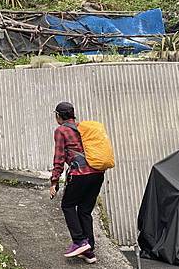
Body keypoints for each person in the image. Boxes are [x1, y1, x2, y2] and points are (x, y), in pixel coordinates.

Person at [50, 102, 104, 264]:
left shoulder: (61, 131)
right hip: (97, 174)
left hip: (80, 174)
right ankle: (89, 251)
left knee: (67, 205)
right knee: (84, 210)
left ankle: (80, 241)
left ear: (59, 115)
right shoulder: (83, 128)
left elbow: (59, 158)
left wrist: (54, 181)